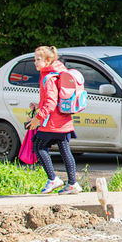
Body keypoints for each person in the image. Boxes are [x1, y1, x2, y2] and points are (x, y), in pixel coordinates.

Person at [27, 45, 82, 194]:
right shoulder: (56, 73)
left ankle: (53, 179)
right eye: (35, 59)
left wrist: (38, 119)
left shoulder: (48, 77)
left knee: (38, 146)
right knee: (65, 151)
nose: (35, 62)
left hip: (53, 123)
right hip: (64, 121)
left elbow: (51, 102)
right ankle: (72, 183)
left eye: (38, 59)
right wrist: (39, 105)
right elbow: (54, 100)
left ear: (48, 60)